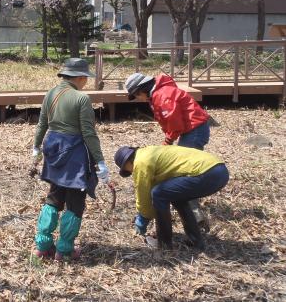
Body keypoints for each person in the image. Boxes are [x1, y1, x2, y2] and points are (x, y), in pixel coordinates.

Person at [30, 58, 110, 261]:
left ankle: (42, 246)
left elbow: (42, 124)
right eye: (86, 78)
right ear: (81, 77)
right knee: (75, 202)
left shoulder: (50, 94)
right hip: (75, 155)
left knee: (54, 196)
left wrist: (36, 148)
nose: (86, 82)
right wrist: (100, 161)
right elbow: (89, 133)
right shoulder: (81, 99)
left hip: (53, 150)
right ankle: (64, 250)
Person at [125, 72, 211, 228]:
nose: (139, 99)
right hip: (191, 129)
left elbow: (175, 124)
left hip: (194, 130)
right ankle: (189, 210)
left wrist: (167, 142)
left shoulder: (162, 95)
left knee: (184, 172)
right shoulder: (158, 93)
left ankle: (195, 216)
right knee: (182, 171)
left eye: (137, 96)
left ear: (141, 90)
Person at [114, 144, 229, 250]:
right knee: (175, 196)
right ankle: (195, 241)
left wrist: (143, 217)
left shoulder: (140, 163)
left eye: (127, 170)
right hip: (219, 170)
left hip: (207, 173)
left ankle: (164, 244)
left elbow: (143, 194)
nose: (131, 172)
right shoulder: (149, 152)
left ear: (127, 164)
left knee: (158, 194)